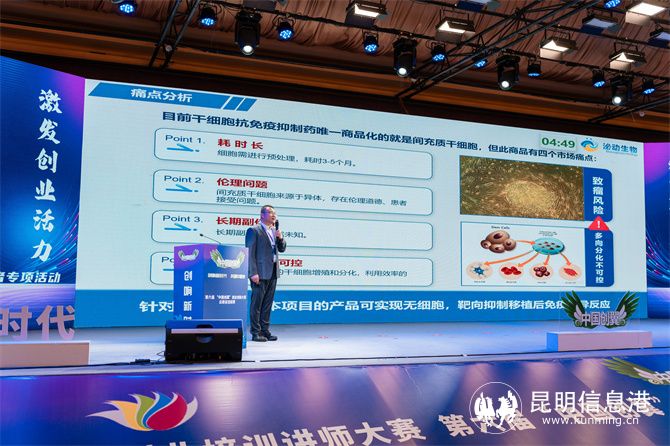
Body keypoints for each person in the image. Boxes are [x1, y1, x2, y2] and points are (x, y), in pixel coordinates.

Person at [245, 205, 286, 342]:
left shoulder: (274, 231)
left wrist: (280, 238)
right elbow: (250, 253)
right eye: (270, 212)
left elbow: (282, 249)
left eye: (275, 213)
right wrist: (253, 272)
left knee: (267, 304)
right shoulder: (254, 230)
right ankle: (256, 332)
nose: (274, 215)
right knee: (257, 304)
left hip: (273, 271)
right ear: (262, 215)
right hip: (260, 273)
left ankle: (265, 330)